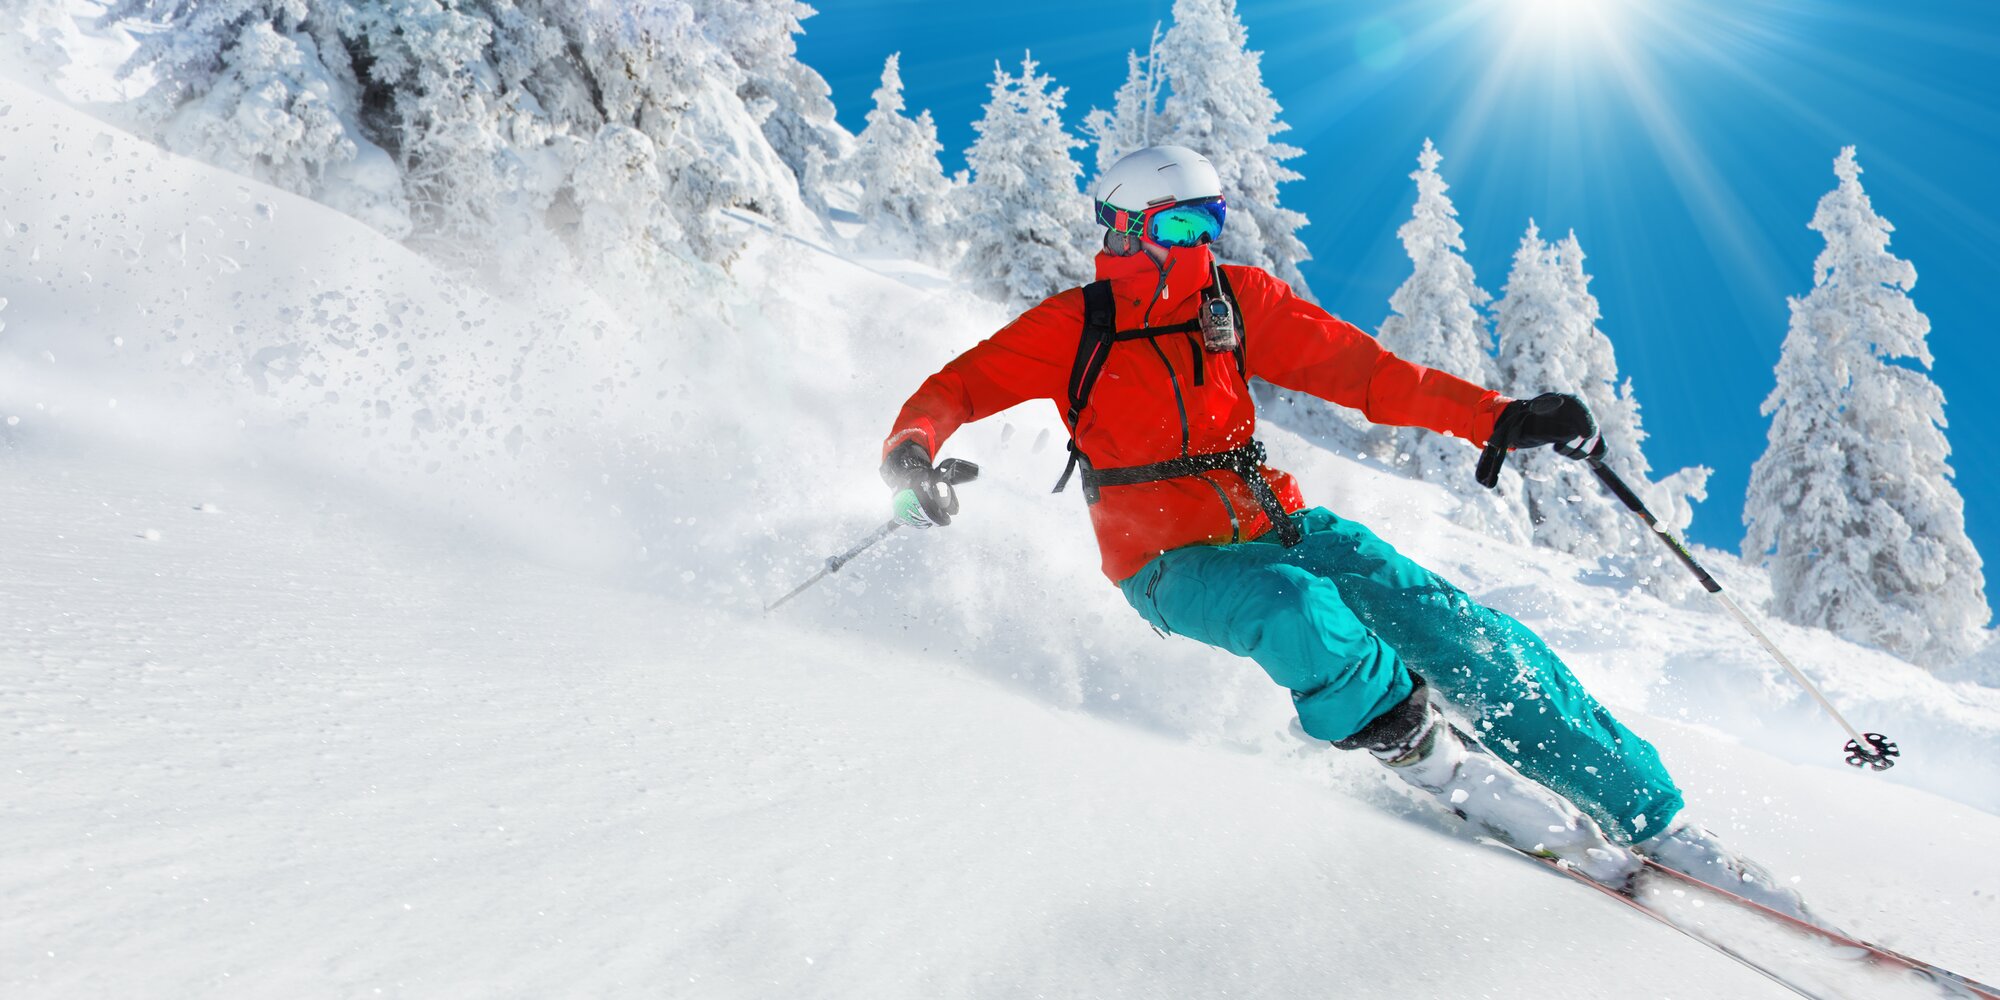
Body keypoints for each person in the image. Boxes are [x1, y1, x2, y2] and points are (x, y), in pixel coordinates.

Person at [879, 145, 1808, 910]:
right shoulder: (1071, 327)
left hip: (1280, 519)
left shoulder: (1233, 302)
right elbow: (953, 389)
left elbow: (1369, 375)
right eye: (1176, 225)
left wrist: (1496, 416)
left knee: (1464, 633)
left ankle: (1652, 819)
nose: (1198, 240)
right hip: (1166, 559)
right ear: (1123, 229)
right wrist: (912, 453)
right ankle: (1440, 764)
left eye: (1210, 220)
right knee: (1298, 612)